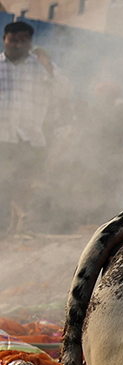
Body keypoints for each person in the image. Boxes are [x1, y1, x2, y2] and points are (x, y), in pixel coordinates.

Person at [0, 22, 57, 231]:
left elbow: (64, 91)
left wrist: (48, 66)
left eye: (23, 40)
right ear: (4, 39)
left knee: (24, 184)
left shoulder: (41, 67)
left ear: (30, 42)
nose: (17, 44)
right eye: (12, 40)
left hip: (30, 138)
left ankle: (17, 230)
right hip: (2, 137)